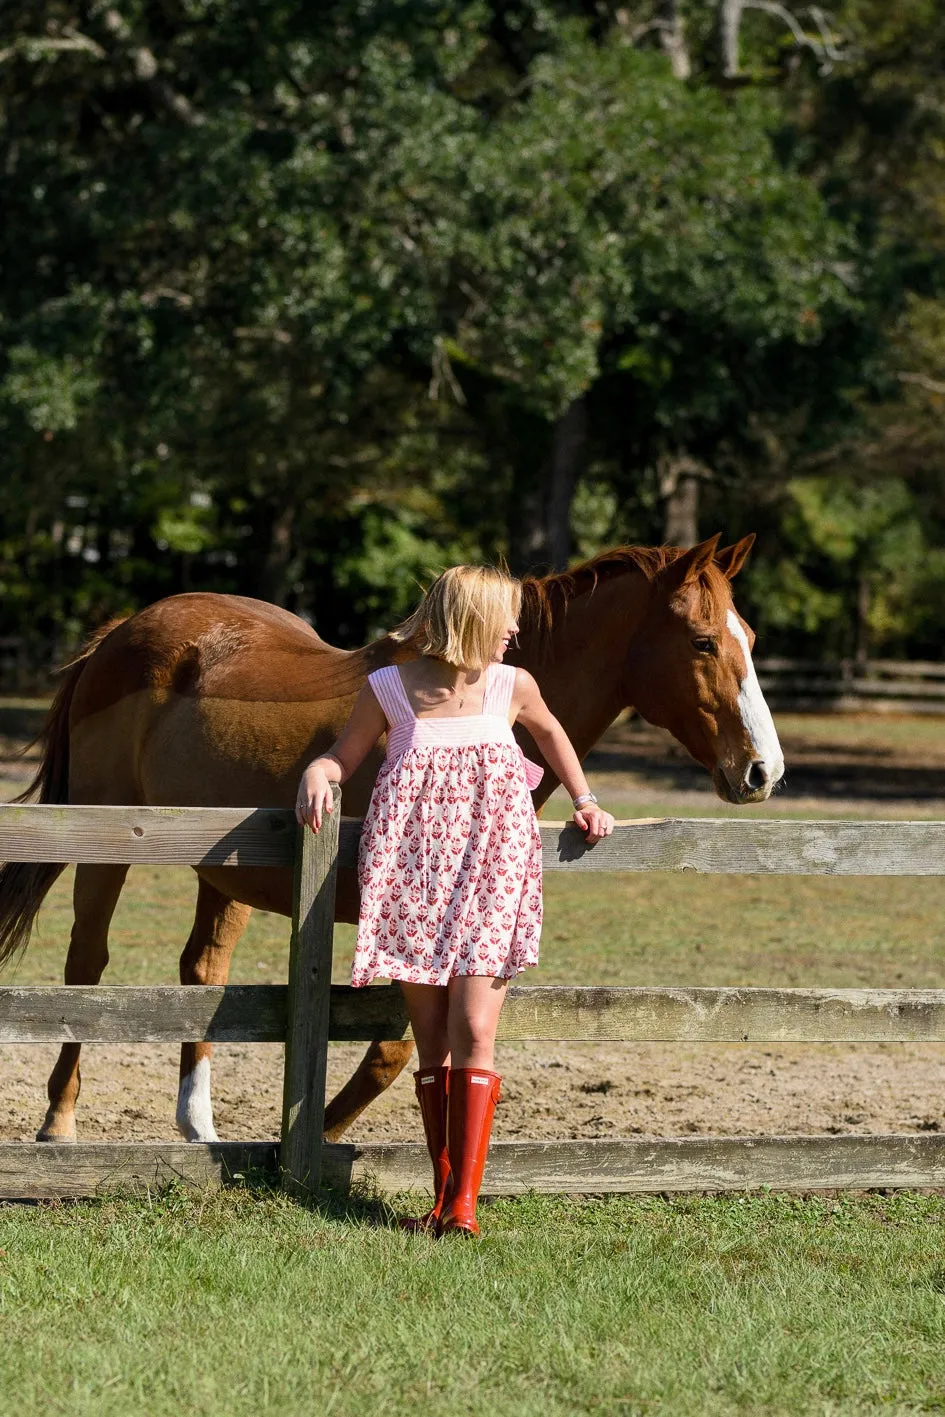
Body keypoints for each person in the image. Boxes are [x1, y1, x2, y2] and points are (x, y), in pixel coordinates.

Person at [295, 564, 614, 1236]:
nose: (515, 631)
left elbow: (553, 733)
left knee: (474, 1030)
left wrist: (583, 798)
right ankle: (440, 1200)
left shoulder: (511, 686)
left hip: (491, 877)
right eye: (506, 619)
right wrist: (318, 772)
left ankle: (462, 1209)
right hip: (413, 882)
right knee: (432, 1041)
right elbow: (341, 756)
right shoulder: (388, 688)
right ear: (470, 621)